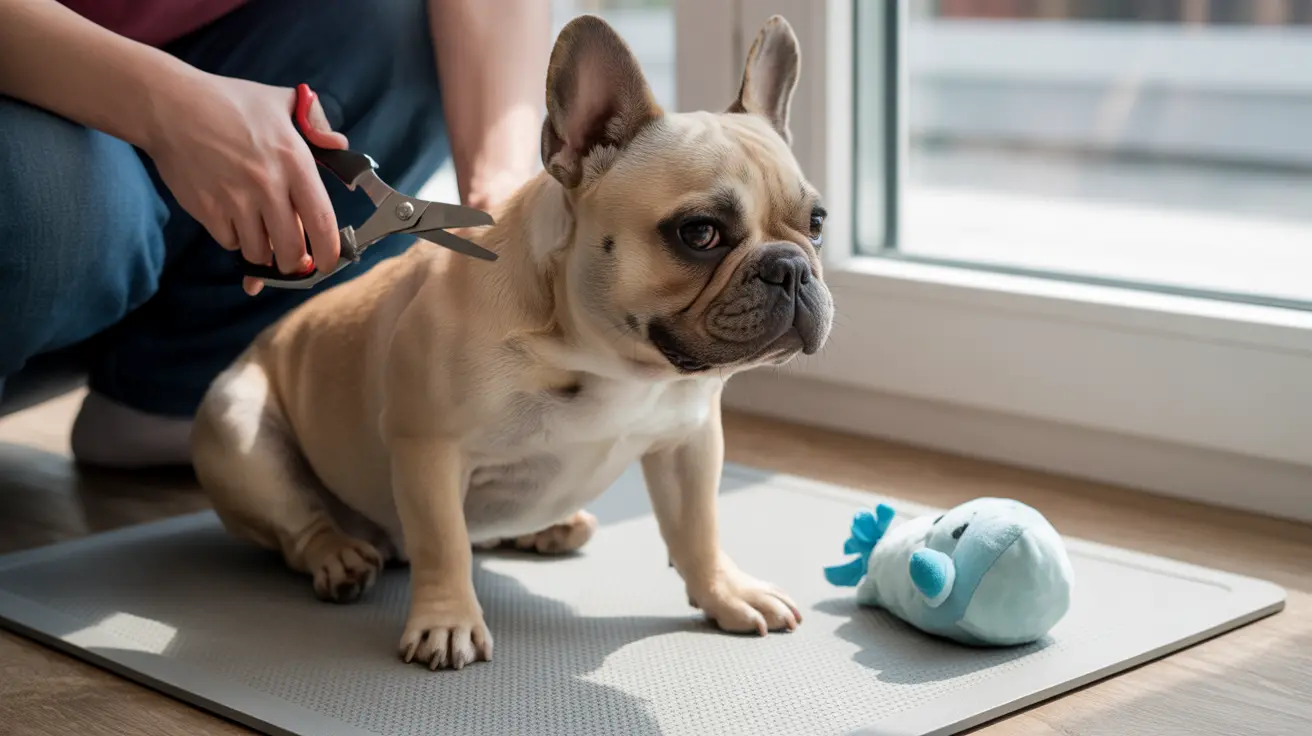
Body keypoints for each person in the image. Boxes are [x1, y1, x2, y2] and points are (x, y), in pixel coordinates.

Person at [0, 0, 549, 468]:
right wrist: (168, 108)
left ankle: (182, 390)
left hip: (200, 53)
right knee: (56, 206)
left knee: (400, 26)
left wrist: (498, 196)